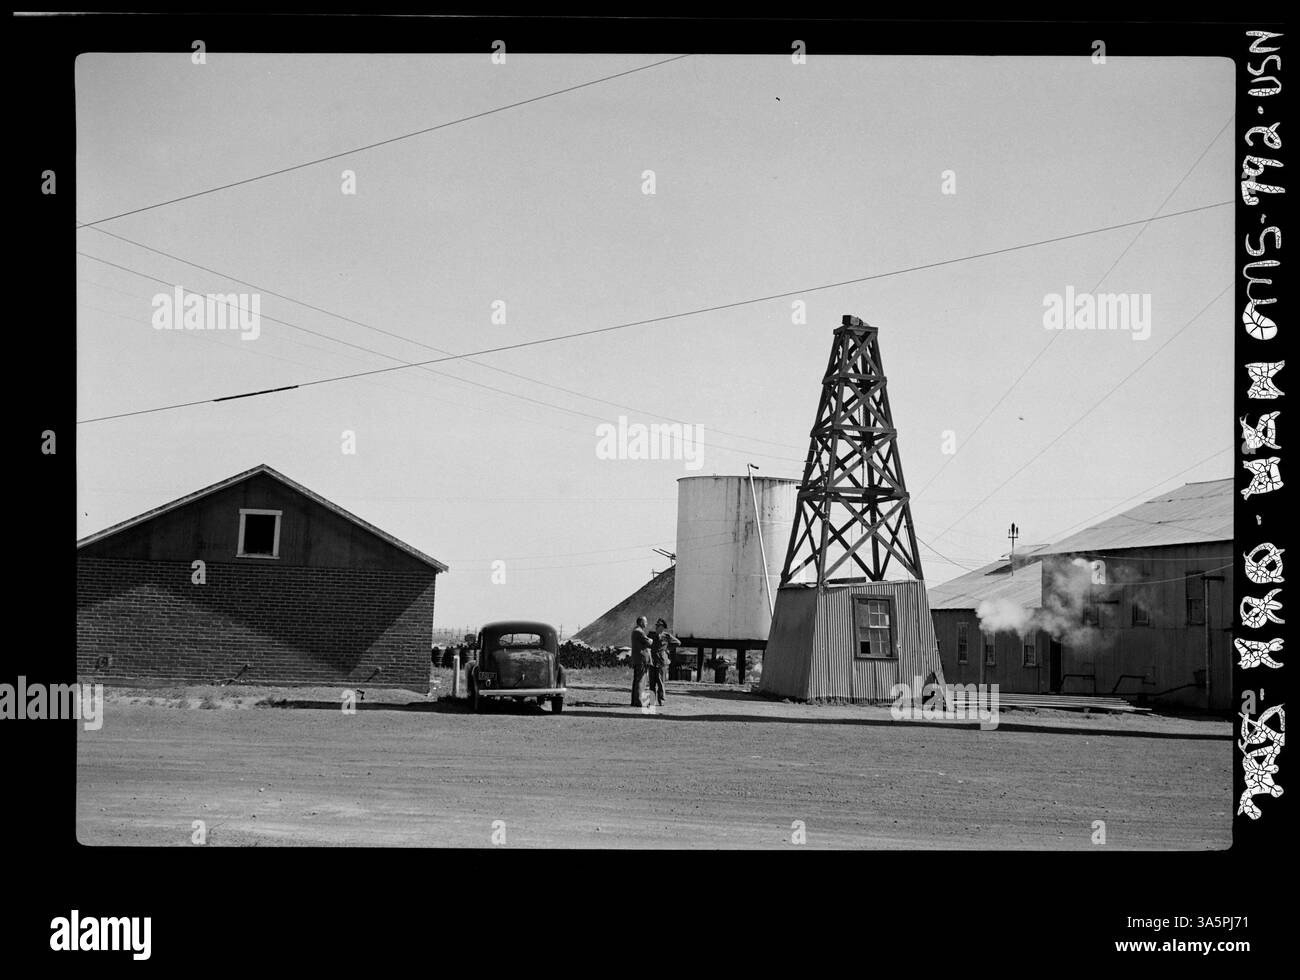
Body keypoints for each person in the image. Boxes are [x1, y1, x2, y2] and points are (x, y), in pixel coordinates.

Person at [648, 618, 679, 706]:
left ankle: (661, 700)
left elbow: (677, 642)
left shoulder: (667, 636)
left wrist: (667, 649)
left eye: (658, 626)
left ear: (662, 628)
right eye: (656, 626)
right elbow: (646, 643)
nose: (656, 627)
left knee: (661, 682)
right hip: (652, 661)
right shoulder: (651, 635)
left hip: (662, 661)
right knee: (652, 683)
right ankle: (652, 701)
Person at [630, 616, 654, 706]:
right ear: (641, 622)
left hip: (638, 659)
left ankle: (635, 701)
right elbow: (648, 642)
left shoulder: (636, 631)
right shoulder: (639, 632)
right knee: (641, 680)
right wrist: (650, 640)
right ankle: (639, 701)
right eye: (645, 622)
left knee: (637, 680)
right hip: (641, 659)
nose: (647, 623)